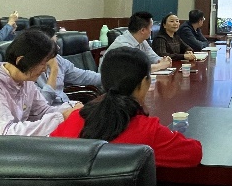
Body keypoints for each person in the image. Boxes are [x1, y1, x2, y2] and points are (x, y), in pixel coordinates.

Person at [51, 47, 202, 167]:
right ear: (144, 82)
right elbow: (194, 153)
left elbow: (49, 153)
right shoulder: (148, 130)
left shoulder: (75, 119)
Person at [29, 26, 102, 106]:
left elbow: (83, 76)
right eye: (54, 45)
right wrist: (54, 70)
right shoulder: (28, 72)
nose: (58, 48)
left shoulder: (58, 59)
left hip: (67, 105)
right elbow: (43, 103)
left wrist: (107, 78)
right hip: (51, 111)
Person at [105, 11, 173, 72]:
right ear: (142, 30)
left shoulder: (142, 41)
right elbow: (136, 70)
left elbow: (153, 57)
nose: (151, 30)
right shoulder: (122, 45)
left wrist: (163, 60)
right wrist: (161, 65)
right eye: (150, 27)